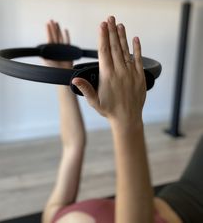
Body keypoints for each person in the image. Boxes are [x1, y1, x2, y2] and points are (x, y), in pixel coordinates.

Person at [42, 17, 203, 223]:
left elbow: (73, 144)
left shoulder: (52, 218)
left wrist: (64, 76)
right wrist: (126, 120)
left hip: (179, 194)